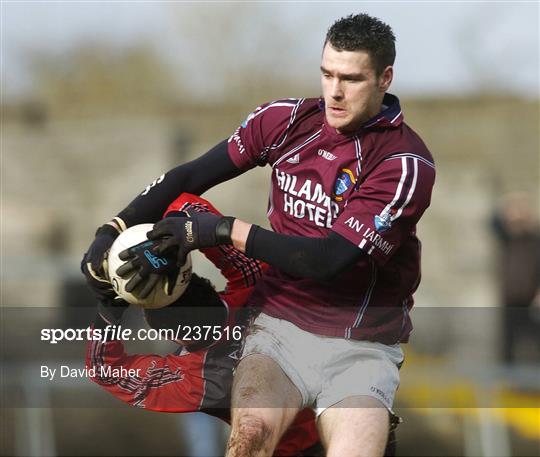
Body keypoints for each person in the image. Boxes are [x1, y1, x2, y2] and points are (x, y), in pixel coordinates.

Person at [82, 14, 435, 457]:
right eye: (327, 74)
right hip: (279, 331)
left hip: (360, 346)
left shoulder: (404, 164)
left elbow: (329, 259)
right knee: (249, 437)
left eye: (350, 78)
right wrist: (114, 236)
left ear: (385, 78)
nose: (335, 91)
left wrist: (112, 301)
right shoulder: (283, 123)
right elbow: (189, 192)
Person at [85, 192, 323, 457]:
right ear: (207, 286)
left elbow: (104, 369)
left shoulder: (196, 378)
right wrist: (179, 233)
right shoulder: (260, 287)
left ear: (172, 336)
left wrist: (110, 304)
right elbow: (185, 202)